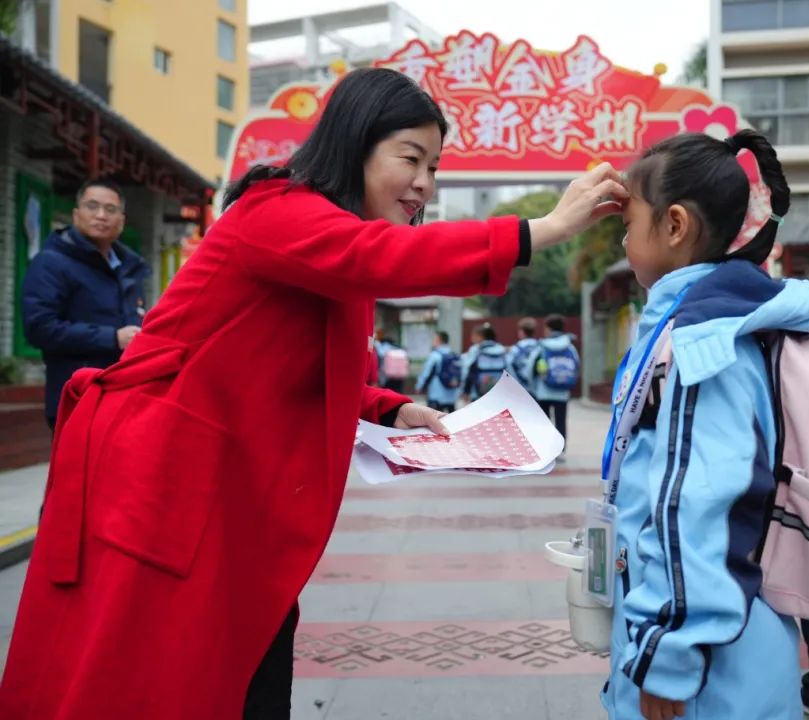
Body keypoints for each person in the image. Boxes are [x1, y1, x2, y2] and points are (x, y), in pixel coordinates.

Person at [0, 67, 627, 720]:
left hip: (226, 497)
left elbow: (309, 365)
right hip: (163, 487)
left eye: (433, 166)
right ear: (355, 144)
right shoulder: (279, 211)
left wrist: (395, 407)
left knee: (241, 661)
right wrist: (543, 230)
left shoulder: (328, 244)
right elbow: (383, 258)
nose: (424, 183)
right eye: (410, 159)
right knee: (147, 678)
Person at [599, 130, 809, 720]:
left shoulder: (705, 341)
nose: (624, 235)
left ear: (674, 226)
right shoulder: (710, 322)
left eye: (630, 218)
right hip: (734, 650)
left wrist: (667, 659)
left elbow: (700, 508)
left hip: (704, 678)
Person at [21, 178, 149, 431]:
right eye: (92, 206)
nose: (101, 215)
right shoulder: (51, 263)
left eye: (110, 210)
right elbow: (39, 328)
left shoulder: (129, 269)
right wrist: (112, 338)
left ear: (121, 220)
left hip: (123, 396)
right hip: (75, 397)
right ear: (76, 214)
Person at [525, 313, 580, 453]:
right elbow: (576, 366)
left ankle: (544, 449)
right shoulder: (570, 347)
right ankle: (560, 449)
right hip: (562, 392)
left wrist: (533, 387)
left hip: (543, 391)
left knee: (544, 421)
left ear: (548, 328)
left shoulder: (542, 346)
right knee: (561, 421)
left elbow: (529, 368)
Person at [416, 330, 461, 412]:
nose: (432, 342)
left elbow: (426, 373)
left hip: (436, 395)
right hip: (452, 396)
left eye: (434, 339)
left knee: (434, 420)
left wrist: (419, 386)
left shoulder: (434, 355)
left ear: (439, 340)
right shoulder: (454, 355)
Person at [461, 323, 507, 402]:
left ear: (480, 336)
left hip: (478, 394)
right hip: (499, 393)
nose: (472, 338)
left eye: (474, 335)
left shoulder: (475, 350)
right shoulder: (501, 349)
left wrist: (465, 391)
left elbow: (468, 372)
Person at [505, 316, 539, 394]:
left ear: (521, 332)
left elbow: (508, 365)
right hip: (536, 388)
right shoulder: (539, 346)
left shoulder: (516, 348)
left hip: (520, 387)